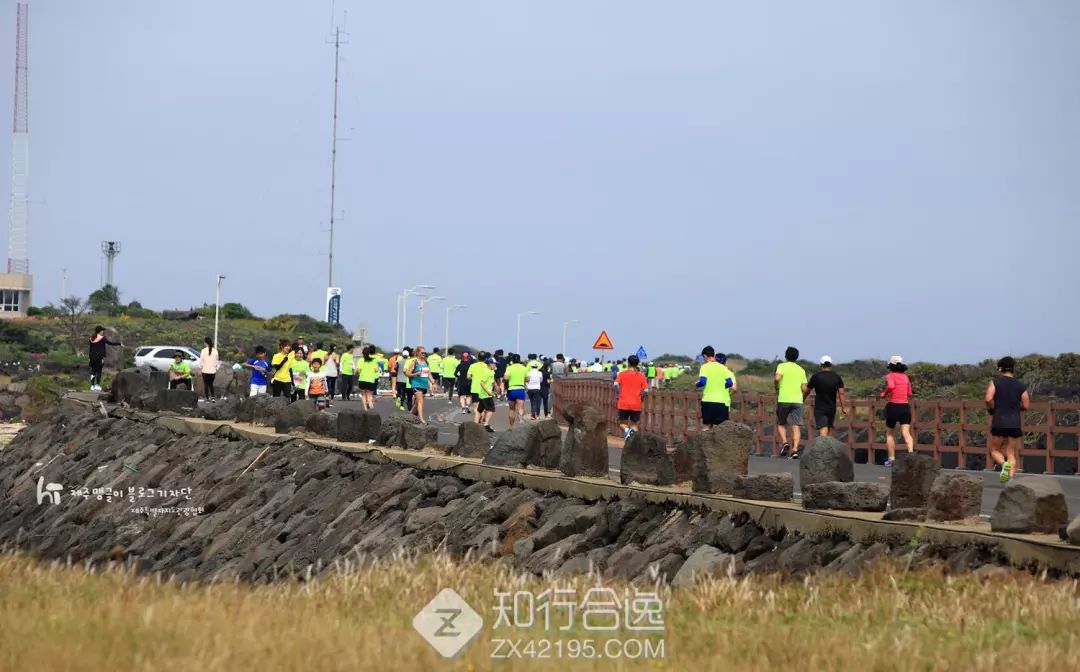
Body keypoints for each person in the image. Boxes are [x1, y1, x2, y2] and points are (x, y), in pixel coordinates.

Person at [985, 356, 1030, 482]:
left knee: (994, 450)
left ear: (1000, 369)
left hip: (999, 420)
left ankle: (1003, 464)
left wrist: (991, 409)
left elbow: (988, 399)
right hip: (1014, 422)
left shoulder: (995, 382)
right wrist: (1016, 408)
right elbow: (1026, 405)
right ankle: (1010, 480)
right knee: (1011, 453)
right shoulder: (1021, 385)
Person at [775, 346, 808, 458]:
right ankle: (795, 450)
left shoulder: (781, 366)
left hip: (784, 399)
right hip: (797, 400)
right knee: (796, 425)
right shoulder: (801, 370)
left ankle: (785, 443)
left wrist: (776, 386)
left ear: (786, 356)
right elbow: (804, 388)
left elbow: (777, 378)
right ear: (797, 357)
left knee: (781, 423)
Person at [881, 354, 914, 465]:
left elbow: (891, 386)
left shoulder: (890, 376)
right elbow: (909, 393)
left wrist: (884, 393)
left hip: (893, 407)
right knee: (906, 433)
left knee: (890, 433)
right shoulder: (906, 377)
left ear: (891, 365)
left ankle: (891, 459)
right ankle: (911, 455)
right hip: (905, 407)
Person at [805, 355, 848, 436]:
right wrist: (844, 408)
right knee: (828, 429)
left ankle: (823, 444)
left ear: (821, 365)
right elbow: (841, 393)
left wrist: (802, 399)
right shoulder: (837, 377)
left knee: (823, 429)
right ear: (830, 365)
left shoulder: (816, 377)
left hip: (820, 408)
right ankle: (827, 444)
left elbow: (807, 391)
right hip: (832, 408)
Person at [697, 346, 736, 427]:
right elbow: (730, 383)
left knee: (707, 428)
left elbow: (702, 382)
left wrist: (697, 384)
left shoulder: (705, 367)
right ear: (714, 355)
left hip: (708, 400)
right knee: (720, 428)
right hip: (722, 402)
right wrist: (721, 386)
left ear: (705, 356)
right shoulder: (724, 368)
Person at [615, 355, 649, 439]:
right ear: (637, 364)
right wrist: (642, 397)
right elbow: (646, 390)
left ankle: (627, 431)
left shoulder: (622, 374)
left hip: (624, 403)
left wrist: (618, 393)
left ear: (628, 363)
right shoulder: (641, 376)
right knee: (634, 424)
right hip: (636, 403)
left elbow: (615, 384)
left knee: (622, 423)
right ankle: (634, 441)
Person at [87, 326, 121, 392]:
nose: (103, 332)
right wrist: (119, 344)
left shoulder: (91, 338)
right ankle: (97, 385)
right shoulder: (102, 338)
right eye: (102, 330)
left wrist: (90, 358)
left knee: (93, 372)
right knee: (99, 371)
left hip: (92, 358)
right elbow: (110, 343)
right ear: (100, 331)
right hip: (99, 357)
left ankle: (92, 386)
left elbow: (90, 349)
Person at [408, 346, 437, 423]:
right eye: (422, 353)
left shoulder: (426, 362)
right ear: (418, 353)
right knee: (420, 401)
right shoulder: (415, 362)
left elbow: (429, 374)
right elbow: (408, 374)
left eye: (425, 353)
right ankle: (421, 419)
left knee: (417, 402)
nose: (424, 354)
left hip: (424, 385)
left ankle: (410, 413)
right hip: (416, 384)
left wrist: (433, 383)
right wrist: (416, 373)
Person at [503, 354, 529, 426]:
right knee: (520, 408)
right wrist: (522, 380)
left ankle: (512, 426)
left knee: (511, 409)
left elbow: (506, 378)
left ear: (512, 360)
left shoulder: (509, 368)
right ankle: (520, 419)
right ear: (519, 360)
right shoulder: (524, 368)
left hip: (511, 389)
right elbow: (528, 379)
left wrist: (506, 380)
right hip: (520, 389)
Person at [475, 357, 497, 431]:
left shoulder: (491, 371)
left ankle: (475, 424)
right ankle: (486, 424)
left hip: (483, 395)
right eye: (494, 364)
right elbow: (482, 383)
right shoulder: (486, 372)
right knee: (491, 409)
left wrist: (494, 385)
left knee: (479, 410)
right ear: (490, 364)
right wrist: (488, 392)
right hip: (486, 395)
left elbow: (492, 381)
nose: (495, 365)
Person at [356, 346, 381, 410]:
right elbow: (376, 370)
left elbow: (358, 371)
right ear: (369, 353)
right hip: (370, 380)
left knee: (363, 395)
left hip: (362, 380)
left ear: (363, 353)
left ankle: (365, 408)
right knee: (369, 394)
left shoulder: (361, 360)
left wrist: (357, 373)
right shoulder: (373, 360)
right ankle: (370, 402)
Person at [199, 336, 220, 401]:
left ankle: (207, 399)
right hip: (213, 371)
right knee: (211, 385)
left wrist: (200, 368)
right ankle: (213, 398)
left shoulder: (203, 351)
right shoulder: (215, 351)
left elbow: (201, 361)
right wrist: (216, 368)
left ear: (205, 342)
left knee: (206, 385)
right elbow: (217, 361)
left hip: (205, 371)